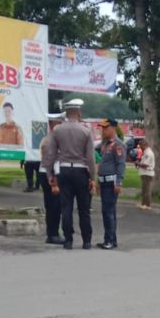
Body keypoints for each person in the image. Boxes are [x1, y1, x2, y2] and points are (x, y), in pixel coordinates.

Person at [42, 97, 96, 249]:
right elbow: (91, 158)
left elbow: (50, 154)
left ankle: (68, 240)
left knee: (66, 207)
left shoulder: (58, 130)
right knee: (84, 208)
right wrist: (93, 177)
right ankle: (86, 241)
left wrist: (49, 174)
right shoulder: (86, 131)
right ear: (78, 114)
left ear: (66, 114)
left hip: (64, 170)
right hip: (81, 171)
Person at [96, 118, 126, 249]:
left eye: (105, 128)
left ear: (113, 128)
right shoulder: (105, 144)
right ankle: (110, 239)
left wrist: (119, 182)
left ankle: (110, 240)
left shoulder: (118, 144)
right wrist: (98, 181)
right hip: (103, 182)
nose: (103, 131)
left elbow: (120, 164)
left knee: (108, 212)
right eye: (102, 128)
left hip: (111, 182)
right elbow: (102, 163)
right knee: (107, 212)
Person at [39, 113, 64, 244]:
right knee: (54, 206)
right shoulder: (52, 140)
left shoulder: (49, 139)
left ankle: (52, 233)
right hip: (50, 175)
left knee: (53, 206)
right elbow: (50, 162)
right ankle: (53, 234)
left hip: (48, 174)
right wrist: (54, 183)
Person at [137, 137, 155, 209]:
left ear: (144, 145)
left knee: (146, 190)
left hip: (147, 173)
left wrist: (138, 163)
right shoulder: (146, 152)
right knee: (144, 189)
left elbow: (145, 164)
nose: (140, 147)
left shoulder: (148, 153)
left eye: (141, 146)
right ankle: (143, 203)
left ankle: (147, 205)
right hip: (145, 173)